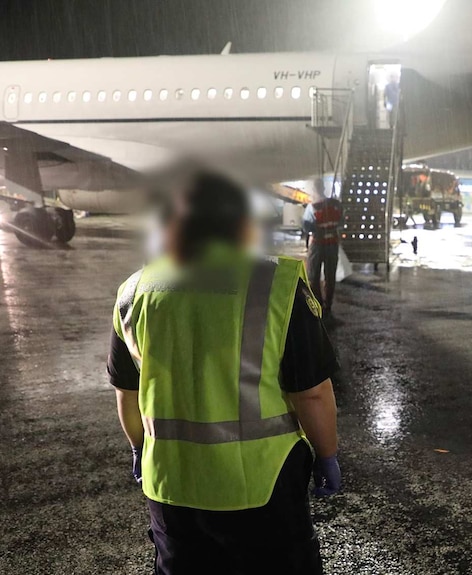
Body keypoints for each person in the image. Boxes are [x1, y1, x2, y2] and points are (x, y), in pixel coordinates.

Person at [107, 172, 341, 575]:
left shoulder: (134, 291)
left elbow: (127, 392)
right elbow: (312, 393)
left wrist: (137, 448)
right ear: (241, 224)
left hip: (170, 484)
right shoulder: (277, 283)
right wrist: (327, 454)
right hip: (263, 485)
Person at [304, 179, 343, 320]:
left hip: (318, 244)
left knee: (313, 276)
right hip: (332, 243)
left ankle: (318, 305)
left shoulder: (312, 207)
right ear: (324, 187)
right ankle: (328, 306)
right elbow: (341, 222)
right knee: (330, 276)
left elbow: (307, 227)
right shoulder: (336, 204)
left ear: (314, 190)